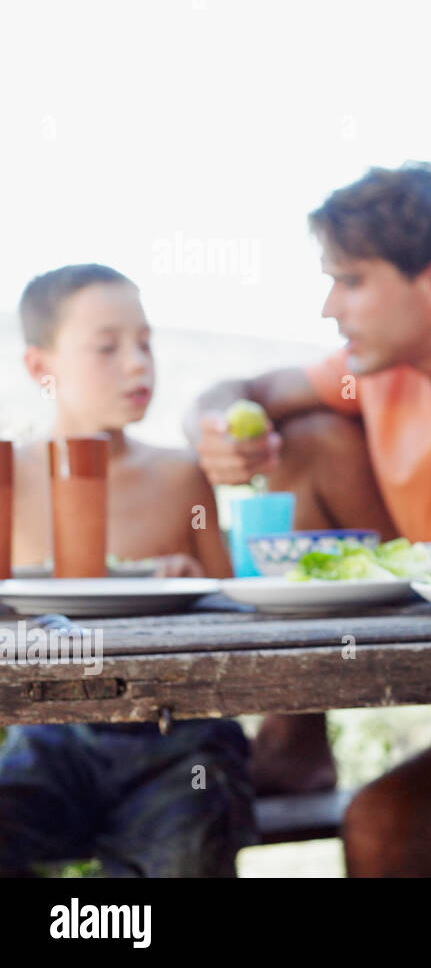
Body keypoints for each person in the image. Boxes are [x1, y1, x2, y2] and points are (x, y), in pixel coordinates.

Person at [186, 162, 431, 876]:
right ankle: (296, 733)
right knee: (304, 439)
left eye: (352, 280)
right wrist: (212, 421)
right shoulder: (375, 365)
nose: (331, 306)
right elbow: (245, 391)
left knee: (380, 827)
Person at [0, 264, 256, 878]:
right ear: (41, 369)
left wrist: (192, 576)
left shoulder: (180, 477)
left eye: (145, 342)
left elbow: (237, 623)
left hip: (179, 737)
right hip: (54, 732)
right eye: (107, 347)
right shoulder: (14, 478)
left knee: (188, 849)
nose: (138, 364)